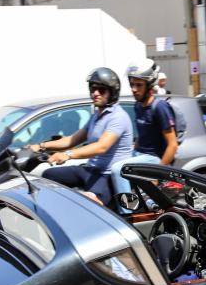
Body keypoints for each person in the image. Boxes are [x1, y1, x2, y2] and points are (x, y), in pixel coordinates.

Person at [30, 67, 132, 208]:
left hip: (106, 175)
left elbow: (101, 146)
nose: (95, 93)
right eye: (93, 89)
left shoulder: (118, 116)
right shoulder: (97, 116)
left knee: (90, 205)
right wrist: (40, 146)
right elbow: (72, 139)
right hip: (91, 169)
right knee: (49, 176)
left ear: (113, 92)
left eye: (101, 90)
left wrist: (68, 155)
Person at [111, 59, 179, 212]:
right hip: (140, 154)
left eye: (139, 85)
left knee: (117, 169)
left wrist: (157, 175)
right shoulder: (138, 105)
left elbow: (173, 144)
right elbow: (141, 136)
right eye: (132, 84)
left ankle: (128, 214)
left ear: (149, 85)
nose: (134, 89)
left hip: (153, 158)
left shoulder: (159, 107)